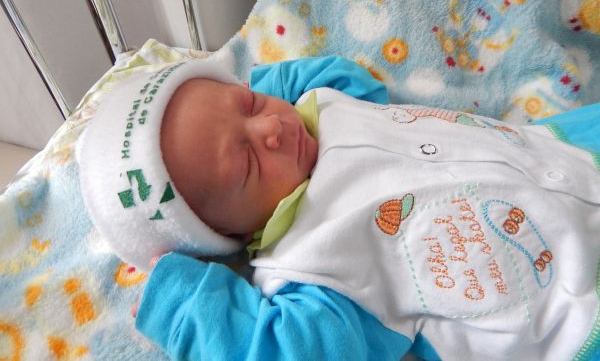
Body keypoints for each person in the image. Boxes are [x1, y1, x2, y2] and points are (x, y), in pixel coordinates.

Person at [78, 48, 600, 361]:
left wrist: (269, 86)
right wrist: (189, 308)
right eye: (247, 163)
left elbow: (349, 79)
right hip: (570, 309)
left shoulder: (320, 106)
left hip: (564, 147)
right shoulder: (311, 264)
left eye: (249, 104)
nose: (271, 128)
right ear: (225, 233)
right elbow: (290, 352)